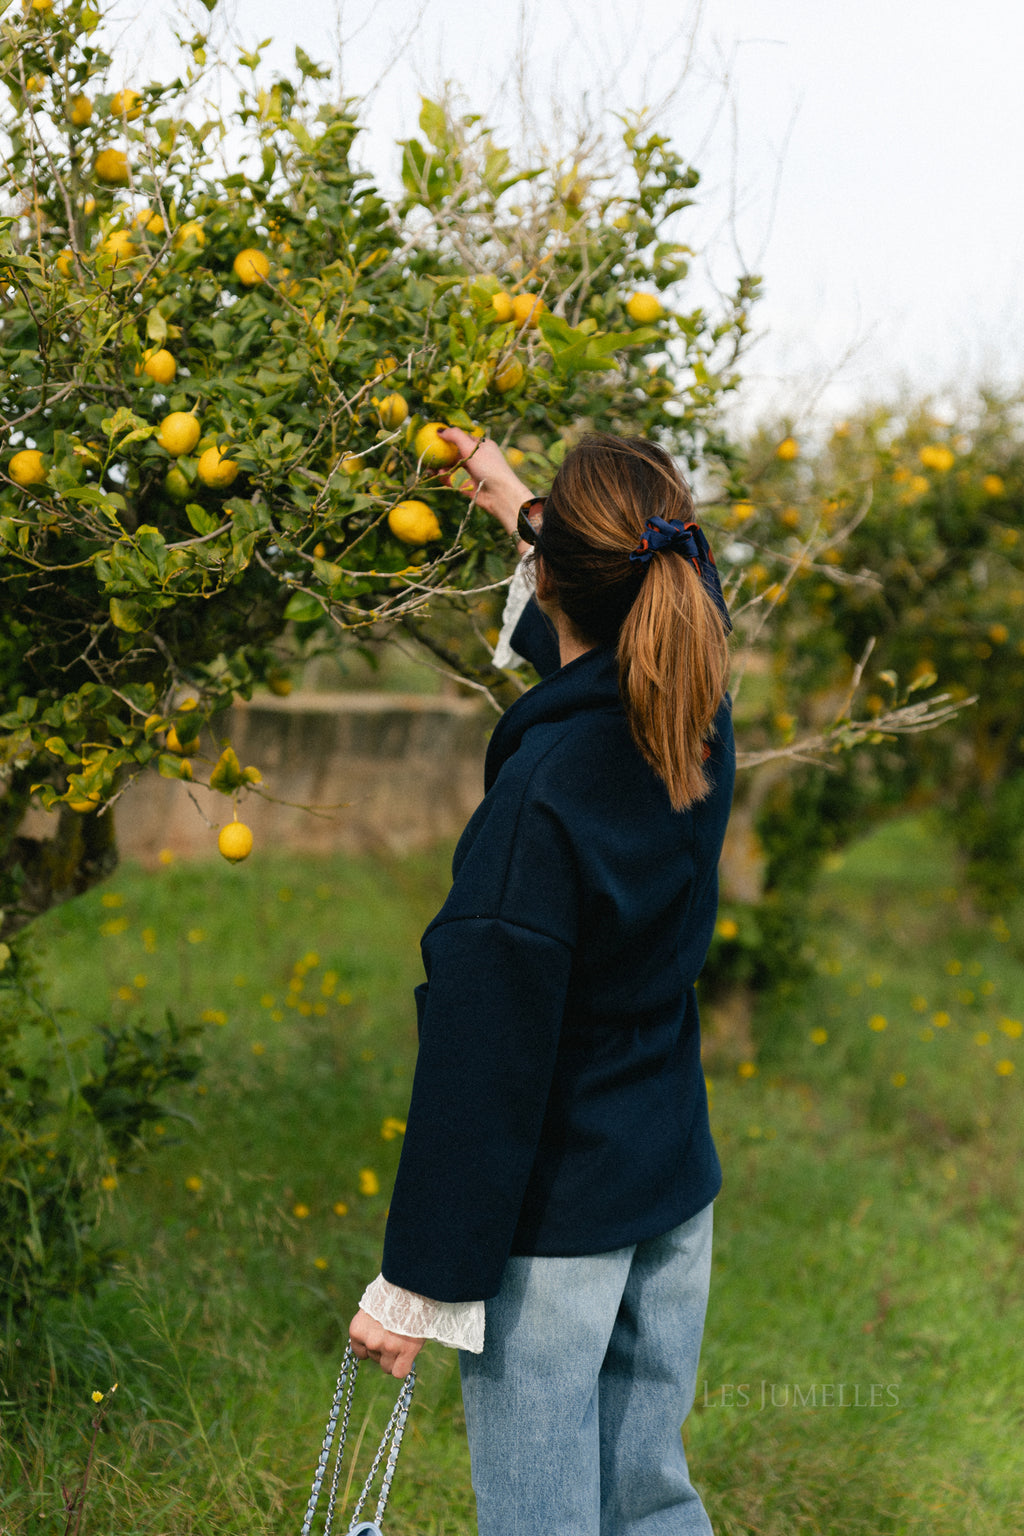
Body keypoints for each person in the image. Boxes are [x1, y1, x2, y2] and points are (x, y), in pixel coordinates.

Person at [348, 428, 734, 1536]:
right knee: (648, 1497)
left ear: (555, 581)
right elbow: (661, 591)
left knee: (544, 1519)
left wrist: (416, 1287)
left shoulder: (538, 806)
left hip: (559, 1226)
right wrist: (530, 510)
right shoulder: (693, 720)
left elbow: (484, 1063)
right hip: (668, 1188)